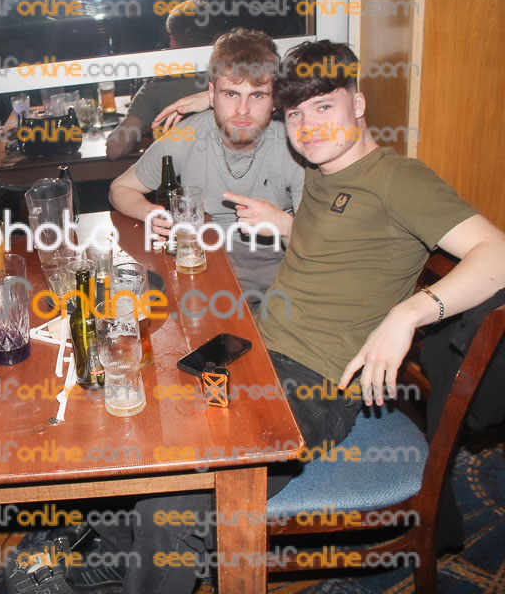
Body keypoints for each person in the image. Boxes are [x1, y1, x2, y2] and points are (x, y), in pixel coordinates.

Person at [75, 40, 505, 594]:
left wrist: (410, 312)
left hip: (316, 380)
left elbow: (497, 253)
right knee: (131, 413)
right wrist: (279, 217)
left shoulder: (400, 179)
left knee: (175, 507)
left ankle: (140, 557)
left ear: (359, 104)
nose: (307, 126)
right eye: (296, 113)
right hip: (253, 347)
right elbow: (341, 233)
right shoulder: (321, 170)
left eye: (324, 106)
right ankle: (114, 553)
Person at [109, 28, 305, 299]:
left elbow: (314, 251)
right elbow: (119, 189)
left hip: (276, 293)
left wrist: (284, 224)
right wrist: (150, 213)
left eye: (257, 95)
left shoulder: (295, 147)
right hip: (200, 282)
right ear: (212, 95)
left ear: (275, 100)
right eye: (231, 94)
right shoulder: (188, 134)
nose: (243, 110)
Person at [105, 0, 230, 161]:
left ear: (173, 41)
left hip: (177, 174)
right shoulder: (236, 75)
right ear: (216, 38)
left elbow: (115, 149)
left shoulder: (160, 83)